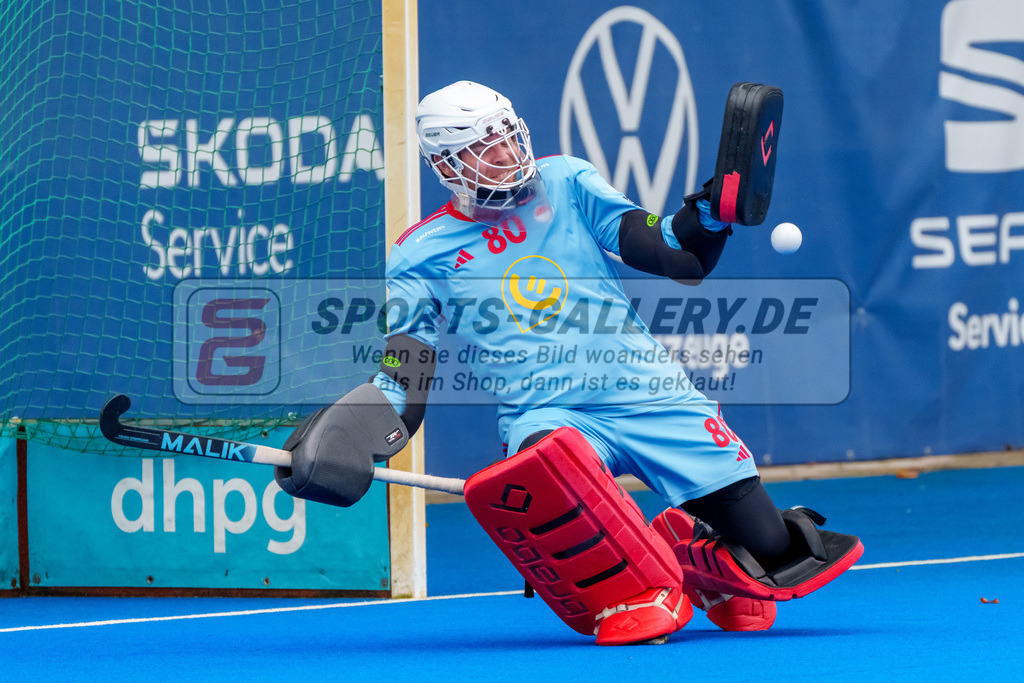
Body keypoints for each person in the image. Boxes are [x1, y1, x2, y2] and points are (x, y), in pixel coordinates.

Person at [277, 81, 862, 646]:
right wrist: (344, 437)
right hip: (549, 416)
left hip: (649, 393)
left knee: (775, 553)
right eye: (483, 146)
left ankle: (692, 551)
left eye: (507, 136)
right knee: (549, 471)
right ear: (446, 166)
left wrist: (709, 213)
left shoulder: (566, 180)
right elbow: (405, 376)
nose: (505, 154)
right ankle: (633, 594)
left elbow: (672, 254)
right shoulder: (419, 254)